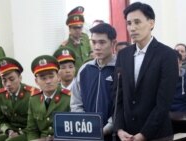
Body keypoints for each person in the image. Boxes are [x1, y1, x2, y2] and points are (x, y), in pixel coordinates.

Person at [114, 2, 179, 141]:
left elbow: (164, 102)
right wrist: (119, 129)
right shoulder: (123, 55)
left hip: (157, 133)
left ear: (151, 23)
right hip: (127, 134)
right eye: (129, 23)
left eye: (137, 22)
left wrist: (144, 134)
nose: (132, 28)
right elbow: (117, 97)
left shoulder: (167, 55)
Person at [70, 23, 117, 140]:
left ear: (113, 43)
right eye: (94, 42)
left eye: (102, 42)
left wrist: (108, 127)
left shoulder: (121, 69)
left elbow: (123, 106)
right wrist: (85, 126)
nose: (96, 47)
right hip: (87, 134)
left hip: (114, 135)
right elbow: (76, 103)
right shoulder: (84, 69)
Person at [26, 55, 71, 141]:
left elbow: (74, 130)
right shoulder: (34, 99)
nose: (48, 81)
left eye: (51, 77)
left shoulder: (69, 98)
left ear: (58, 77)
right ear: (36, 81)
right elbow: (32, 130)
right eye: (43, 78)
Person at [0, 57, 39, 141]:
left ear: (20, 78)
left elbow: (37, 124)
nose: (8, 84)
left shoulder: (32, 94)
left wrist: (19, 133)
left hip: (28, 133)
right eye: (4, 80)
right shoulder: (0, 95)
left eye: (12, 79)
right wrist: (8, 130)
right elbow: (0, 121)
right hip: (10, 132)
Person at [59, 6, 92, 74]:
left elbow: (90, 54)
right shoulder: (65, 46)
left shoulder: (85, 38)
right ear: (69, 29)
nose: (77, 30)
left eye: (79, 28)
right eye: (74, 28)